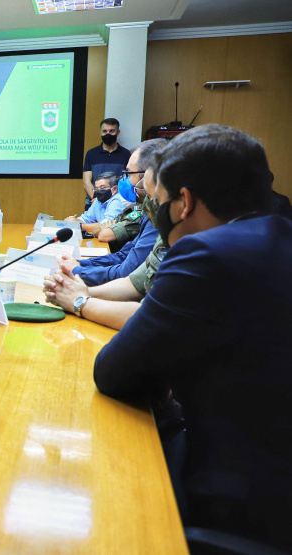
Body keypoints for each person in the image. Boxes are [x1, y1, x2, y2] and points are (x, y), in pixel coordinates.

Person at [94, 124, 292, 550]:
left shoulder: (206, 253)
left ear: (184, 203)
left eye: (161, 201)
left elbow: (113, 372)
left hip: (238, 503)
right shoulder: (277, 237)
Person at [58, 139, 167, 286]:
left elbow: (125, 271)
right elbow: (124, 255)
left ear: (149, 176)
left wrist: (77, 270)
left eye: (129, 174)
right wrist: (79, 264)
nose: (125, 180)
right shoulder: (148, 211)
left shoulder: (158, 215)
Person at [82, 118, 131, 210]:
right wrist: (97, 199)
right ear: (100, 133)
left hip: (117, 204)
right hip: (94, 204)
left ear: (118, 132)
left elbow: (129, 181)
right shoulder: (91, 154)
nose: (108, 134)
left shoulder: (127, 154)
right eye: (105, 131)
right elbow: (86, 182)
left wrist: (112, 200)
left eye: (112, 131)